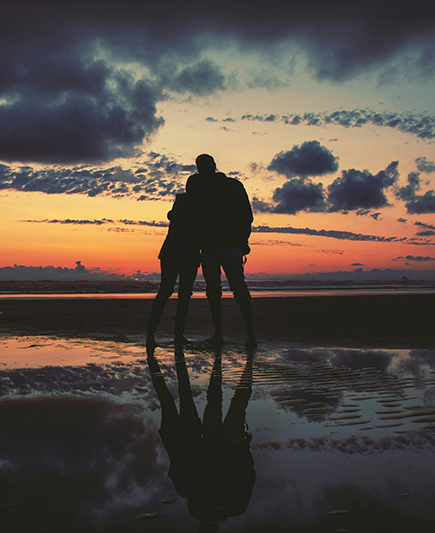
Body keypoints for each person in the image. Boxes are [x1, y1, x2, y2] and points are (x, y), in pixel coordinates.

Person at [146, 344, 256, 532]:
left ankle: (242, 364)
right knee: (220, 399)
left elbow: (249, 475)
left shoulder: (234, 508)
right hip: (217, 443)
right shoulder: (204, 508)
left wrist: (244, 449)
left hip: (225, 445)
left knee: (233, 401)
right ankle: (229, 362)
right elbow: (246, 476)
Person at [186, 154, 256, 347]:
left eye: (204, 166)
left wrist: (243, 240)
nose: (202, 169)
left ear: (213, 166)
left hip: (227, 245)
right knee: (218, 290)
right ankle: (224, 334)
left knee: (235, 289)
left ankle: (248, 334)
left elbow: (246, 216)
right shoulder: (201, 185)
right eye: (200, 166)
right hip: (213, 246)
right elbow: (246, 216)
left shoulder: (231, 186)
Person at [146, 189, 201, 347]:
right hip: (182, 254)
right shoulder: (192, 208)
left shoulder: (181, 206)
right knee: (177, 293)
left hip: (175, 253)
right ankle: (172, 334)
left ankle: (157, 333)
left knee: (168, 292)